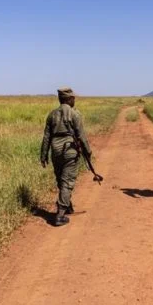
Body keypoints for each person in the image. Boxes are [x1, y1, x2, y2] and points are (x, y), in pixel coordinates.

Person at [40, 87, 92, 226]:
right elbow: (81, 135)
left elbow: (46, 137)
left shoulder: (52, 115)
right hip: (70, 151)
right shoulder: (75, 114)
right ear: (69, 99)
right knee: (67, 182)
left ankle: (67, 205)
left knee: (61, 180)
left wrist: (43, 155)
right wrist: (88, 151)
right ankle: (60, 215)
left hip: (55, 152)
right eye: (73, 98)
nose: (74, 99)